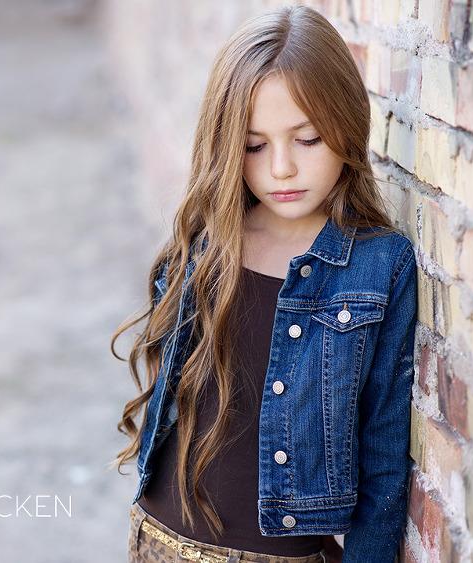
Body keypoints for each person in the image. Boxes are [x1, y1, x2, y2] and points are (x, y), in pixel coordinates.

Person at [113, 6, 417, 563]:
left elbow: (384, 453)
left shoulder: (380, 266)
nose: (281, 168)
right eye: (255, 146)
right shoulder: (207, 246)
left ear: (347, 127)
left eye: (307, 140)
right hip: (160, 539)